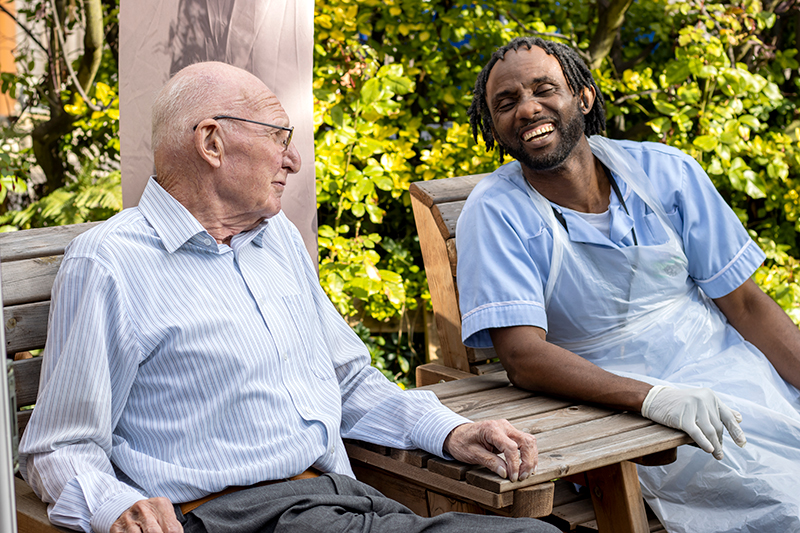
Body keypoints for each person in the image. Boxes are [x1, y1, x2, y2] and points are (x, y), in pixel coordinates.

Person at [17, 62, 561, 533]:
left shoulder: (273, 239)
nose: (294, 161)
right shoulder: (110, 261)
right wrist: (116, 507)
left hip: (344, 501)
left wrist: (450, 430)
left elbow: (347, 382)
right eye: (280, 137)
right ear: (212, 142)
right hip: (236, 516)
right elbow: (58, 446)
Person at [458, 37, 800, 533]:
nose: (528, 109)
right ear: (493, 126)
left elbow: (745, 303)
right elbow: (523, 357)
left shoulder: (665, 172)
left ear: (584, 97)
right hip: (628, 416)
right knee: (781, 505)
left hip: (741, 378)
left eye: (543, 89)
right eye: (506, 103)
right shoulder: (495, 211)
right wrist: (655, 399)